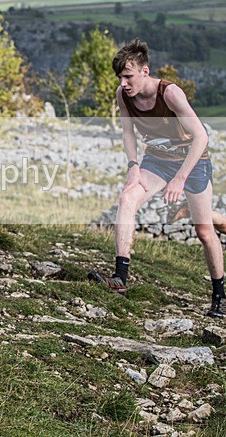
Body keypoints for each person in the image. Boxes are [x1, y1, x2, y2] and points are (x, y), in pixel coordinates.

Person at [88, 38, 224, 318]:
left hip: (193, 163)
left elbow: (201, 137)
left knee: (203, 230)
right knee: (128, 197)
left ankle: (219, 296)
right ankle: (120, 279)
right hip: (157, 161)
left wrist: (180, 179)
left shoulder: (170, 93)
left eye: (128, 76)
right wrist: (133, 166)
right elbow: (128, 133)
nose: (123, 82)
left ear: (145, 72)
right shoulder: (122, 95)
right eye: (120, 77)